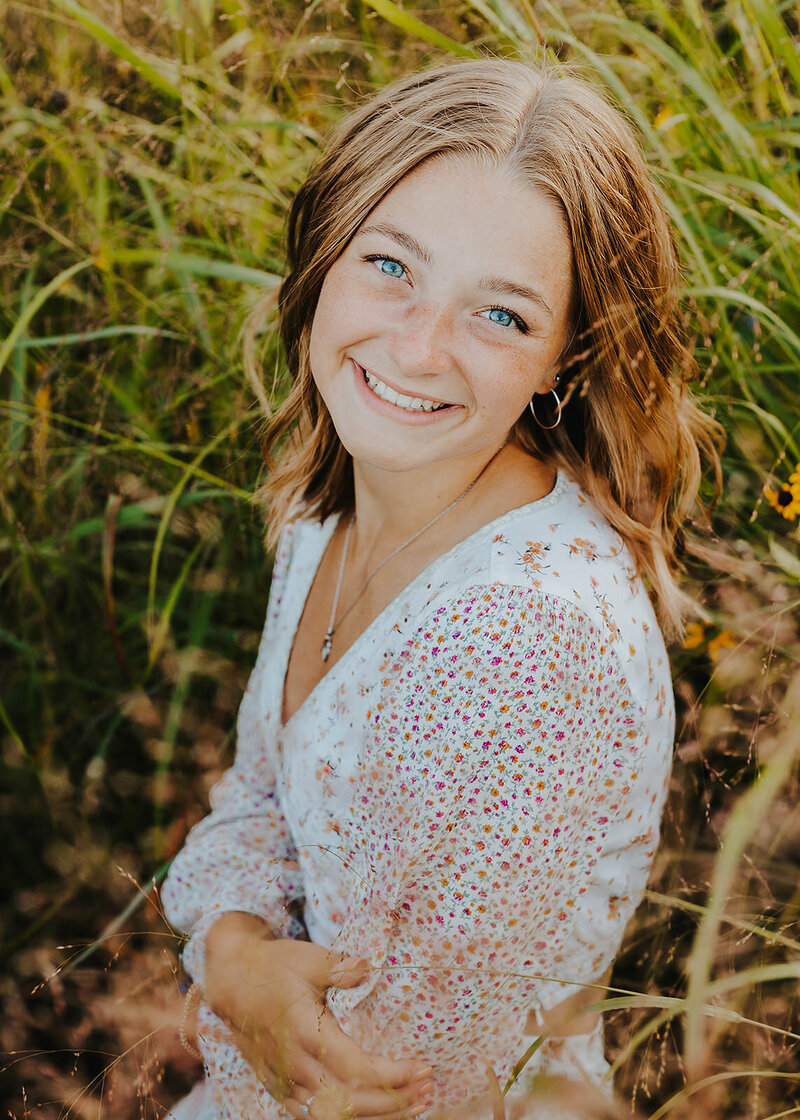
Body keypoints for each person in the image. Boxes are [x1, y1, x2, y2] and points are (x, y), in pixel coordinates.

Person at [161, 56, 722, 1120]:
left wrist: (230, 994)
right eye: (389, 265)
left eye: (499, 315)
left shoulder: (521, 641)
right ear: (328, 249)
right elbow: (260, 806)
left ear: (564, 356)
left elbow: (371, 1078)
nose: (415, 349)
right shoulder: (331, 503)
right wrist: (234, 956)